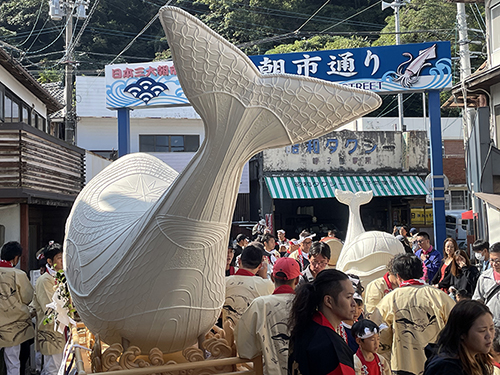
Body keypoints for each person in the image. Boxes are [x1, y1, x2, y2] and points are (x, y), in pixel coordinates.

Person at [371, 253, 455, 375]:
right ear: (421, 272)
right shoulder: (439, 296)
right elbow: (457, 326)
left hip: (403, 365)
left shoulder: (389, 300)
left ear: (398, 276)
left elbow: (379, 336)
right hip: (438, 363)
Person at [235, 257, 301, 375]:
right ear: (297, 280)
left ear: (272, 278)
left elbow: (245, 349)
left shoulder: (260, 304)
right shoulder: (306, 305)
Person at [288, 269, 356, 375]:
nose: (354, 304)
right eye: (348, 297)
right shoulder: (331, 346)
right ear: (329, 301)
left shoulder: (306, 327)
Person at [424, 300, 494, 375]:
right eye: (482, 331)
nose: (489, 336)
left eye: (491, 328)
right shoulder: (446, 368)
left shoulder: (477, 358)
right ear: (462, 333)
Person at [0, 241, 35, 375]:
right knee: (13, 362)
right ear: (16, 258)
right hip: (13, 326)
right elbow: (28, 297)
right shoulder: (18, 274)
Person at [32, 242, 66, 375]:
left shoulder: (60, 276)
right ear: (49, 261)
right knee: (52, 368)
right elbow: (50, 309)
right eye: (59, 258)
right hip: (52, 330)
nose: (62, 260)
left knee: (58, 366)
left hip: (61, 328)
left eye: (63, 257)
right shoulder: (44, 280)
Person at [223, 242, 274, 325]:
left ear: (239, 261)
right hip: (253, 336)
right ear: (260, 265)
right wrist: (264, 276)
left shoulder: (223, 282)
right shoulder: (266, 284)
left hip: (226, 335)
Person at [473, 242, 500, 326]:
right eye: (492, 260)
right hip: (491, 325)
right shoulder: (484, 277)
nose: (494, 264)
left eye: (498, 261)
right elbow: (477, 300)